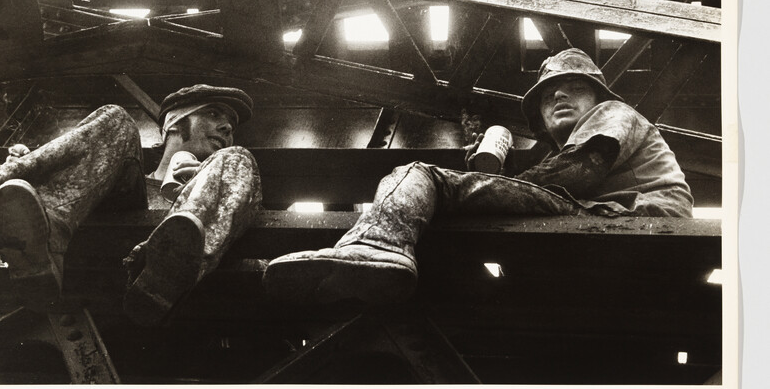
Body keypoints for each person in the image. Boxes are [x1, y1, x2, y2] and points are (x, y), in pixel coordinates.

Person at [262, 48, 694, 305]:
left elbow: (581, 170)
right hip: (612, 217)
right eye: (546, 95)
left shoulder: (613, 113)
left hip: (637, 215)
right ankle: (371, 268)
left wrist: (485, 185)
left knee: (421, 175)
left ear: (597, 95)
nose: (557, 94)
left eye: (573, 87)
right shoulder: (574, 141)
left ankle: (375, 248)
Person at [0, 84, 261, 326]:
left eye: (231, 125)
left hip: (162, 295)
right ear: (174, 122)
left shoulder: (230, 160)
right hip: (93, 272)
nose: (226, 127)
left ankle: (162, 277)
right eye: (213, 113)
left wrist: (202, 190)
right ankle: (45, 240)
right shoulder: (125, 181)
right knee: (116, 117)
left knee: (238, 157)